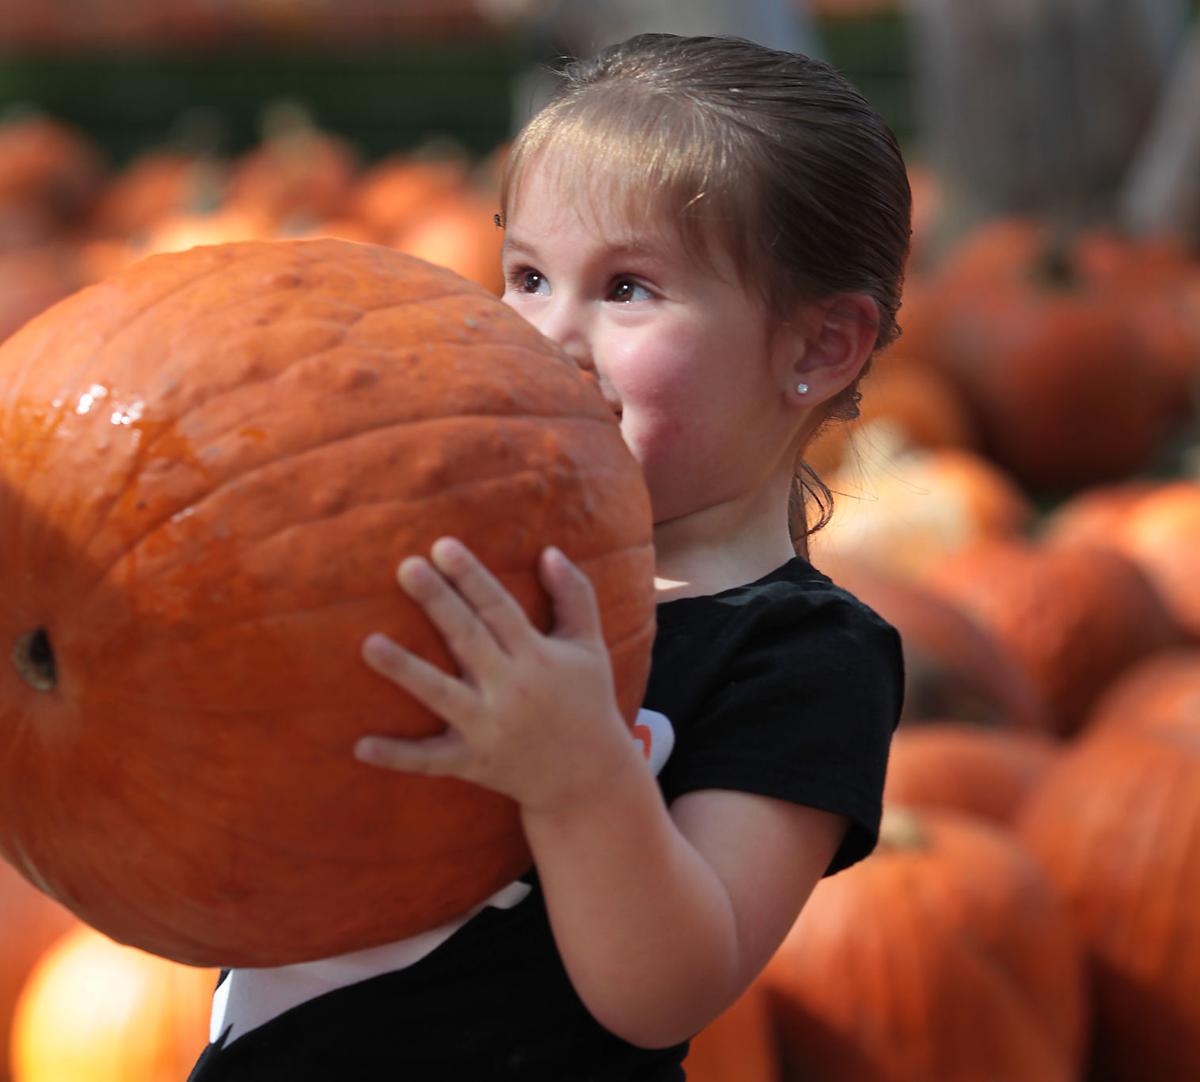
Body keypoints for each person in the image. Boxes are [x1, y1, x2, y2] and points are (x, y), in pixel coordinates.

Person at [188, 32, 909, 1081]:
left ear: (815, 347)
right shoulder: (444, 540)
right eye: (526, 274)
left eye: (626, 289)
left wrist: (579, 775)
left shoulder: (800, 658)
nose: (546, 333)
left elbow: (664, 992)